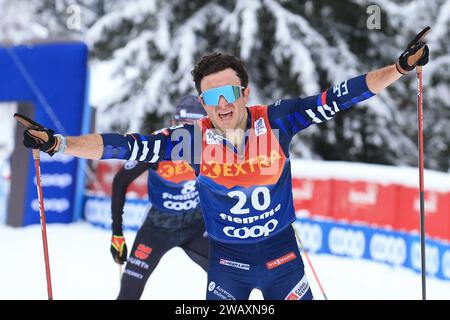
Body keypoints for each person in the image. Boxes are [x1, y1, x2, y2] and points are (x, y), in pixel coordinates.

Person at [19, 27, 430, 300]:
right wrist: (59, 143)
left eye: (229, 93)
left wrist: (398, 69)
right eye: (211, 98)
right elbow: (122, 147)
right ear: (202, 104)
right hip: (227, 266)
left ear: (244, 92)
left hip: (282, 260)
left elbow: (340, 96)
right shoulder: (190, 143)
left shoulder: (279, 120)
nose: (223, 104)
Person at [110, 95, 209, 299]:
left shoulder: (213, 146)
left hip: (197, 226)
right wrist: (117, 233)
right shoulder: (158, 144)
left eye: (195, 129)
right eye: (184, 128)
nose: (188, 137)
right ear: (173, 124)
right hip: (158, 228)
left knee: (230, 283)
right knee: (129, 292)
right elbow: (120, 181)